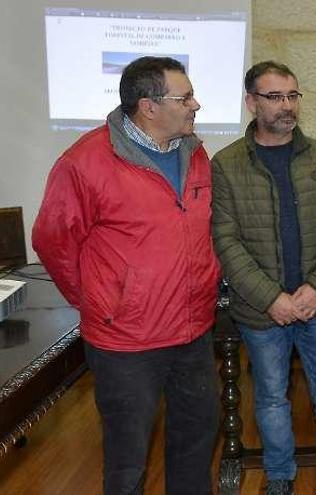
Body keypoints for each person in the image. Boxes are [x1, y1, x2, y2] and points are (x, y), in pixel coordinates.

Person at [31, 56, 220, 495]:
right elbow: (52, 241)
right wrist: (100, 300)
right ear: (148, 106)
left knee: (196, 441)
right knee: (127, 460)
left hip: (192, 330)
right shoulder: (84, 162)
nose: (196, 104)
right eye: (185, 96)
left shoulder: (195, 153)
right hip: (126, 341)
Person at [211, 61, 316, 495]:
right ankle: (279, 478)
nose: (286, 106)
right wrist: (271, 299)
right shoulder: (226, 165)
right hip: (263, 313)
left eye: (293, 96)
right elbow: (226, 241)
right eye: (275, 97)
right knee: (271, 399)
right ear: (251, 102)